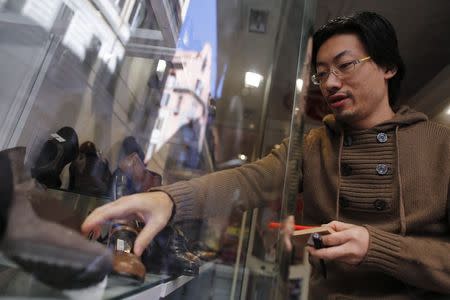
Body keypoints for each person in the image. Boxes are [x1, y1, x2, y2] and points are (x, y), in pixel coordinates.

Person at [82, 11, 450, 298]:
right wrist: (167, 199)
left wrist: (379, 248)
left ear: (388, 66)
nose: (332, 83)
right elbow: (248, 180)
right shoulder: (313, 146)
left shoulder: (440, 145)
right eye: (322, 74)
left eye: (346, 64)